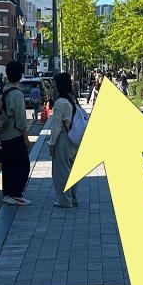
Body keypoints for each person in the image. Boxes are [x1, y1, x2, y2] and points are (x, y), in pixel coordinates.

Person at [0, 61, 31, 206]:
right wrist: (26, 138)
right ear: (20, 75)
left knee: (8, 166)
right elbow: (21, 121)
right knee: (23, 165)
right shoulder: (17, 94)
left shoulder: (3, 90)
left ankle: (7, 194)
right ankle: (16, 194)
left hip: (3, 135)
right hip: (14, 135)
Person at [47, 72, 82, 208]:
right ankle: (73, 198)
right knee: (72, 170)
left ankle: (64, 200)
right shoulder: (72, 99)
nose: (53, 87)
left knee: (61, 172)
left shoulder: (60, 102)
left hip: (62, 138)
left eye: (55, 84)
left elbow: (56, 126)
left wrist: (51, 144)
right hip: (74, 137)